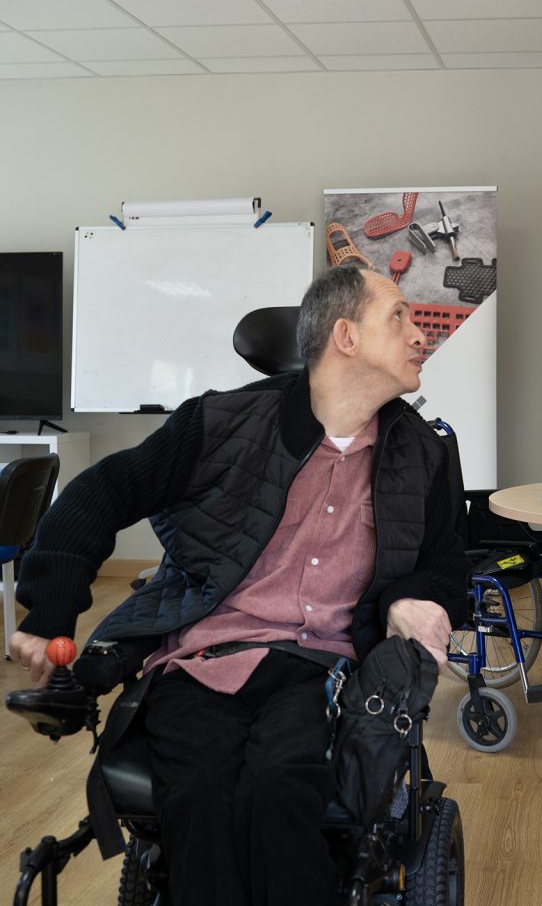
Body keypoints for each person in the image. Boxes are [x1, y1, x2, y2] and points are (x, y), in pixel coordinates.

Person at [10, 264, 471, 906]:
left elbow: (447, 557)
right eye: (398, 317)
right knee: (197, 792)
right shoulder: (222, 424)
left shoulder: (423, 452)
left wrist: (415, 598)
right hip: (203, 656)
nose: (420, 334)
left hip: (320, 666)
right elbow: (101, 492)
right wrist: (51, 611)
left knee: (282, 788)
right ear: (346, 336)